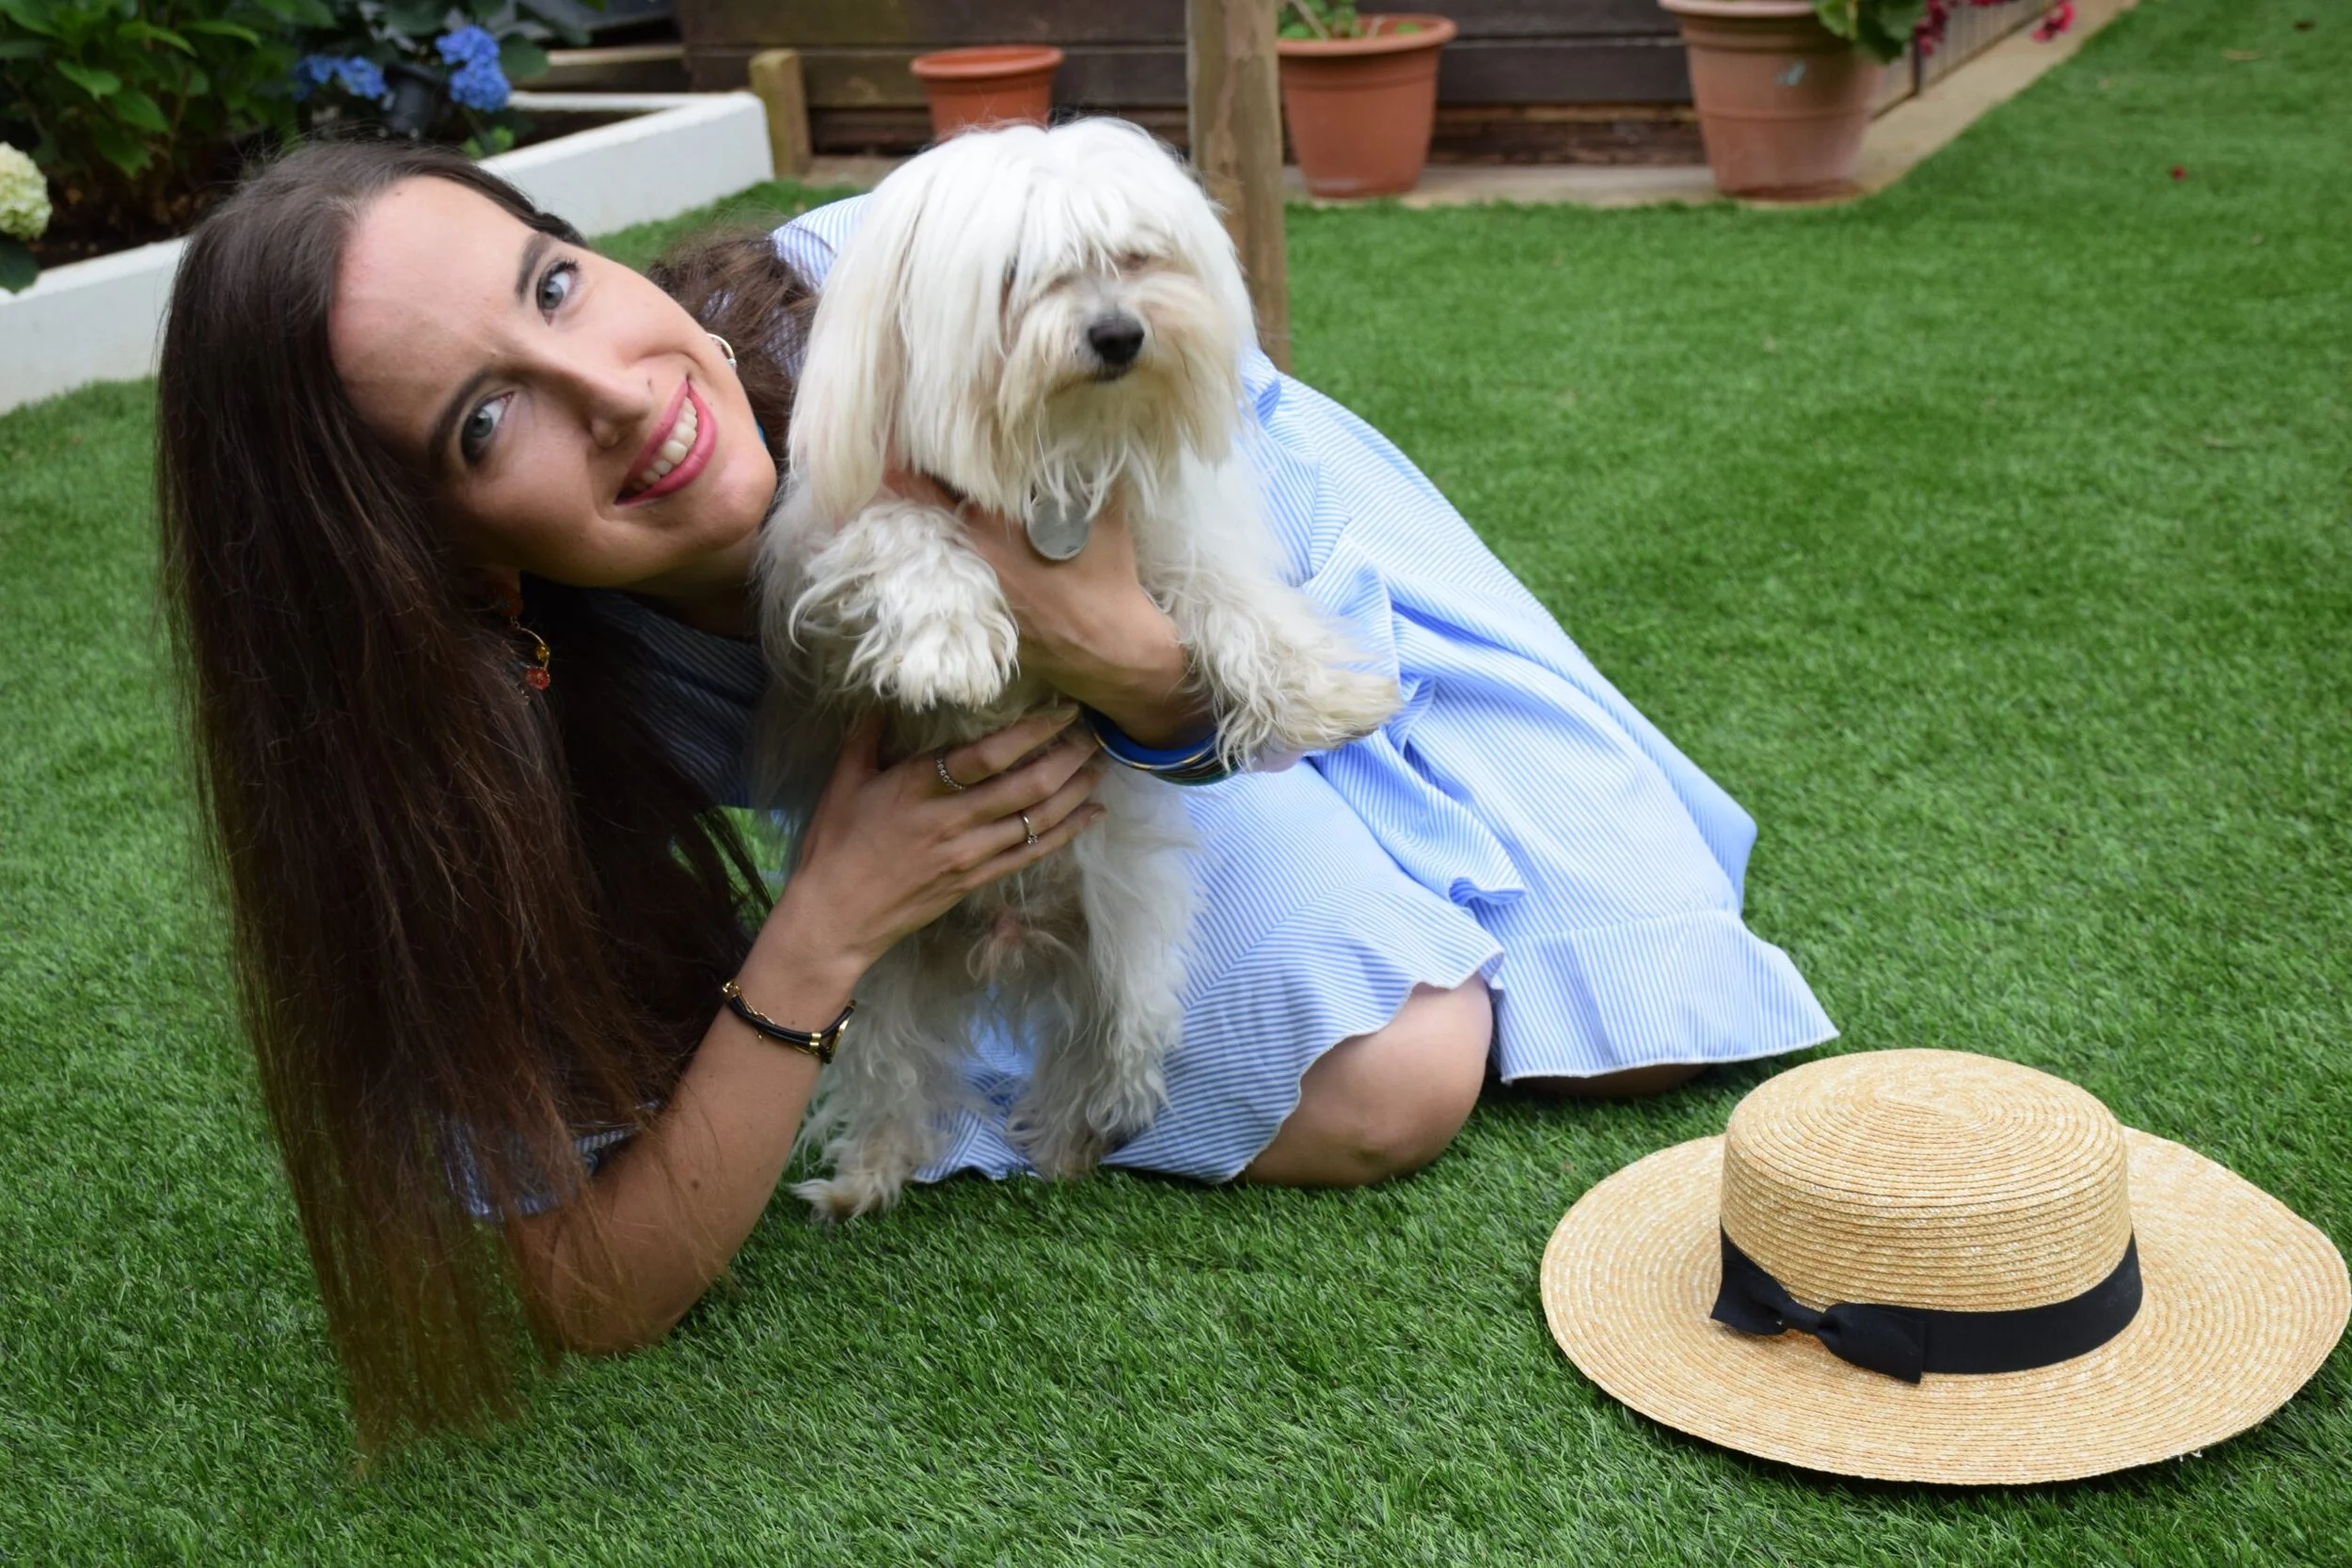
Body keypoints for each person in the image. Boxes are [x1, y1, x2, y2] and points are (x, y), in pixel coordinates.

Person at [155, 139, 1834, 1451]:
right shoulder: (478, 725)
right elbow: (590, 1287)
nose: (616, 390)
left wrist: (1113, 653)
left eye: (555, 284)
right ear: (421, 562)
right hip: (1042, 778)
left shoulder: (936, 278)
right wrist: (823, 928)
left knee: (1577, 1027)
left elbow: (1290, 620)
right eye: (483, 423)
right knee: (1390, 1073)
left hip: (1291, 609)